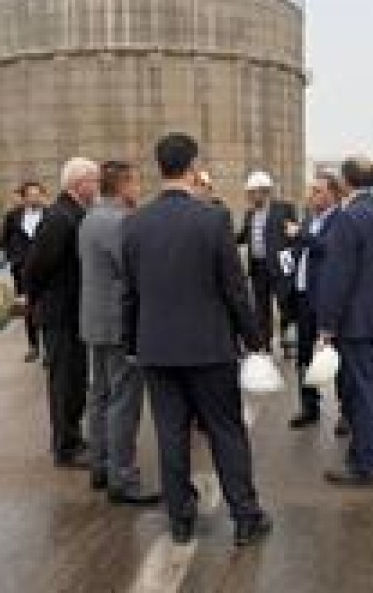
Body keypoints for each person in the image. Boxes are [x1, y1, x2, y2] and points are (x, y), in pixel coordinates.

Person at [124, 133, 272, 547]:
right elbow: (234, 287)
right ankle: (245, 516)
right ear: (192, 168)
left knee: (171, 434)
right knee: (225, 431)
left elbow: (130, 293)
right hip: (209, 347)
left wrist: (132, 344)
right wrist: (254, 338)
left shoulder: (135, 223)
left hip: (156, 348)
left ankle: (180, 520)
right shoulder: (212, 219)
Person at [78, 161, 163, 507]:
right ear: (124, 185)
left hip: (94, 320)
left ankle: (100, 465)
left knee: (100, 395)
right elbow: (133, 271)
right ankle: (122, 477)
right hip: (118, 324)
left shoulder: (90, 218)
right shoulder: (120, 222)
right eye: (136, 183)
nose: (139, 189)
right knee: (124, 401)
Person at [315, 157, 373, 487]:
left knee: (359, 391)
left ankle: (363, 464)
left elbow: (338, 276)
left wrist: (327, 323)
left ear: (345, 181)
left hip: (355, 321)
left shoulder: (349, 218)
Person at [25, 159, 99, 469]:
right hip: (60, 314)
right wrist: (37, 300)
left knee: (76, 380)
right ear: (78, 184)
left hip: (72, 313)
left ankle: (72, 437)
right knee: (65, 383)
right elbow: (36, 267)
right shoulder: (59, 217)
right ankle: (66, 446)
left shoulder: (75, 214)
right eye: (94, 181)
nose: (97, 187)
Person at [286, 172, 343, 429]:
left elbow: (327, 248)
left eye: (317, 191)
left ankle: (346, 412)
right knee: (304, 355)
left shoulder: (340, 220)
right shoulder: (310, 219)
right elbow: (305, 249)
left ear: (333, 194)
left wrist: (300, 234)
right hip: (303, 295)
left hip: (325, 297)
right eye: (311, 190)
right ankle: (309, 406)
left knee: (335, 354)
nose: (311, 195)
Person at [236, 171, 297, 353]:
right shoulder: (249, 214)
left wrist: (290, 265)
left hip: (280, 266)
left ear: (264, 191)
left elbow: (294, 236)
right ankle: (265, 344)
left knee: (285, 304)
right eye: (249, 193)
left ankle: (287, 341)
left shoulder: (284, 209)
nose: (250, 196)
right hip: (258, 267)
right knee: (262, 308)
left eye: (253, 192)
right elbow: (243, 236)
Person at [0, 182, 45, 362]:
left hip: (44, 268)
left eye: (38, 195)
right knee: (28, 307)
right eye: (31, 195)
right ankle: (33, 346)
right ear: (24, 198)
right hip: (22, 269)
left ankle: (48, 347)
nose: (35, 198)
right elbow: (4, 240)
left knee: (46, 306)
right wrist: (11, 256)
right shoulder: (13, 216)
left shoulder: (50, 215)